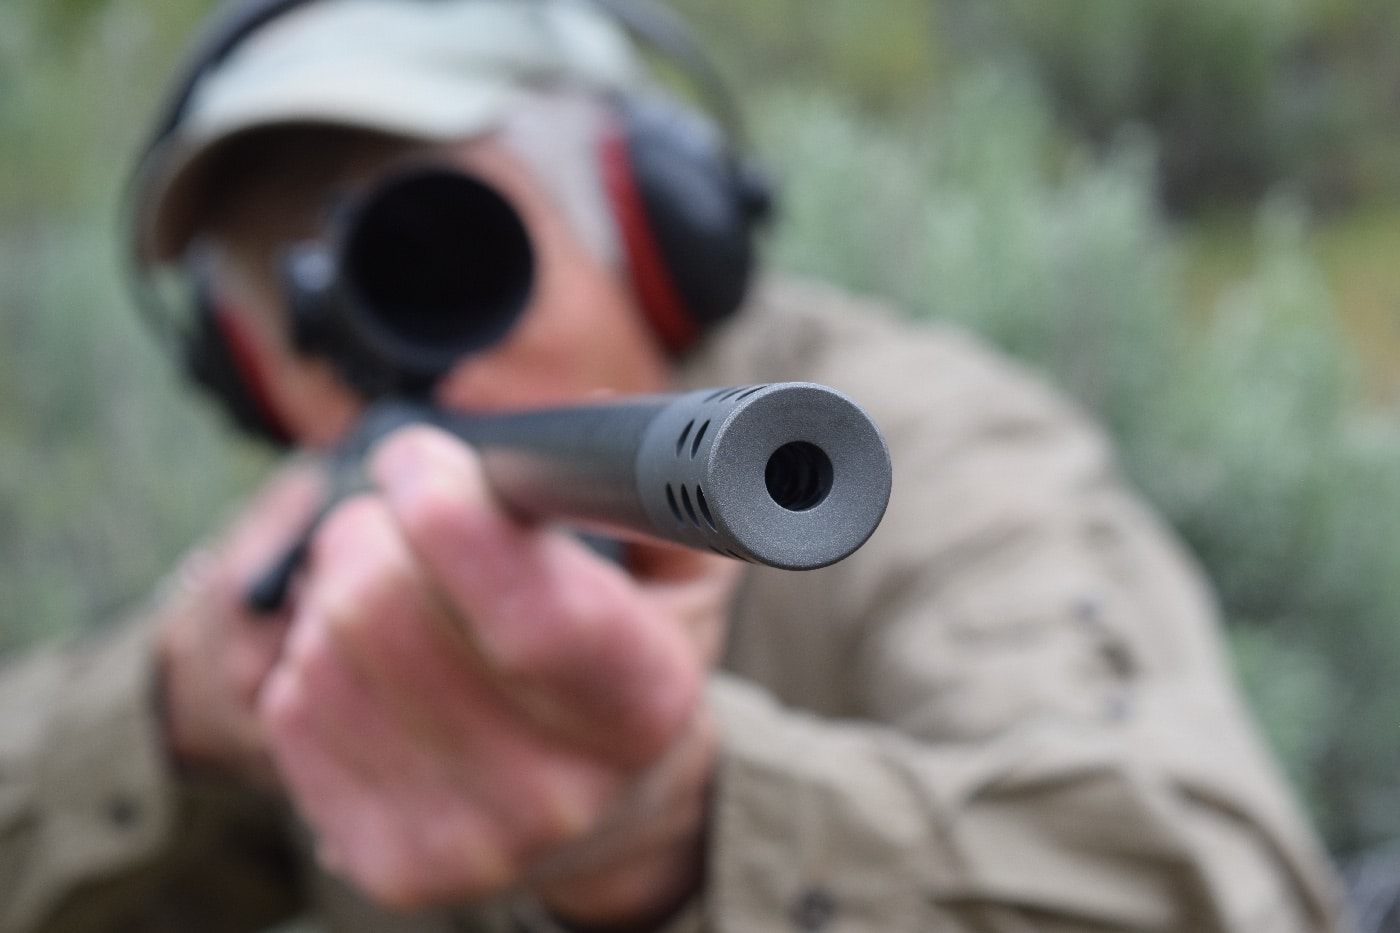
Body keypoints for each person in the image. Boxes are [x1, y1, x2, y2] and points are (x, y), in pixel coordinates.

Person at [0, 0, 1353, 930]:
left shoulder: (912, 442)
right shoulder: (288, 586)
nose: (421, 373)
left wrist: (673, 832)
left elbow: (1218, 888)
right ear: (243, 371)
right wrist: (170, 719)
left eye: (458, 251)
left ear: (650, 219)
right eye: (300, 314)